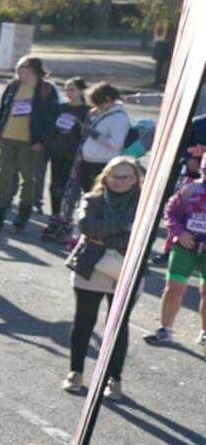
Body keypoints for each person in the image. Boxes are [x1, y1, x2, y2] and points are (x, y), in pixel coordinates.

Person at [66, 157, 142, 395]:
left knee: (117, 327)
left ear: (136, 180)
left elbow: (138, 237)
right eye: (115, 176)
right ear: (105, 177)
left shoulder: (145, 204)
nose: (119, 181)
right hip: (91, 267)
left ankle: (113, 378)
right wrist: (123, 227)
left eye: (126, 176)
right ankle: (75, 372)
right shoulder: (91, 199)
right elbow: (88, 227)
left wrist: (105, 236)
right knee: (83, 323)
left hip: (126, 270)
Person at [0, 56, 61, 232]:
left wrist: (41, 141)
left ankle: (23, 213)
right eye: (18, 67)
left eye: (22, 67)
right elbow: (2, 111)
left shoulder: (47, 89)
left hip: (30, 142)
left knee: (28, 179)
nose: (18, 70)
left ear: (33, 69)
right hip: (8, 137)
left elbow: (52, 118)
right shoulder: (13, 86)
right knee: (3, 174)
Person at [144, 166, 206, 349]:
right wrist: (179, 233)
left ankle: (204, 333)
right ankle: (165, 329)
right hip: (184, 247)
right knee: (173, 289)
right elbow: (170, 213)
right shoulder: (190, 189)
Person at [40, 78, 90, 241]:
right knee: (54, 185)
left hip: (74, 156)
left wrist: (79, 124)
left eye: (72, 89)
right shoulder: (60, 108)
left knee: (68, 189)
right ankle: (54, 218)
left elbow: (88, 133)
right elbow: (50, 129)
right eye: (67, 90)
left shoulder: (86, 111)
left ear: (82, 91)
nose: (69, 93)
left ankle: (65, 221)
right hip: (57, 152)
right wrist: (49, 146)